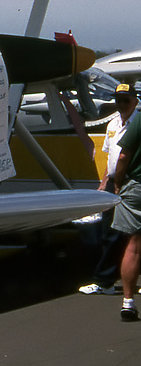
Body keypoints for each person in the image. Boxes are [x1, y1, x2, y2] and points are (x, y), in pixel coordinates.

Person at [83, 84, 141, 298]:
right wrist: (104, 181)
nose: (121, 104)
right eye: (118, 100)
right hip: (113, 181)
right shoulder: (112, 124)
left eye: (126, 100)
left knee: (131, 235)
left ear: (135, 101)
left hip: (131, 180)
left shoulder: (139, 122)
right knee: (109, 231)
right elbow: (111, 157)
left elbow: (125, 157)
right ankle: (106, 280)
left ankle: (110, 278)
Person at [105, 93, 141, 321]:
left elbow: (124, 154)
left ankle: (128, 301)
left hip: (137, 185)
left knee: (134, 244)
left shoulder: (139, 120)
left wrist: (117, 182)